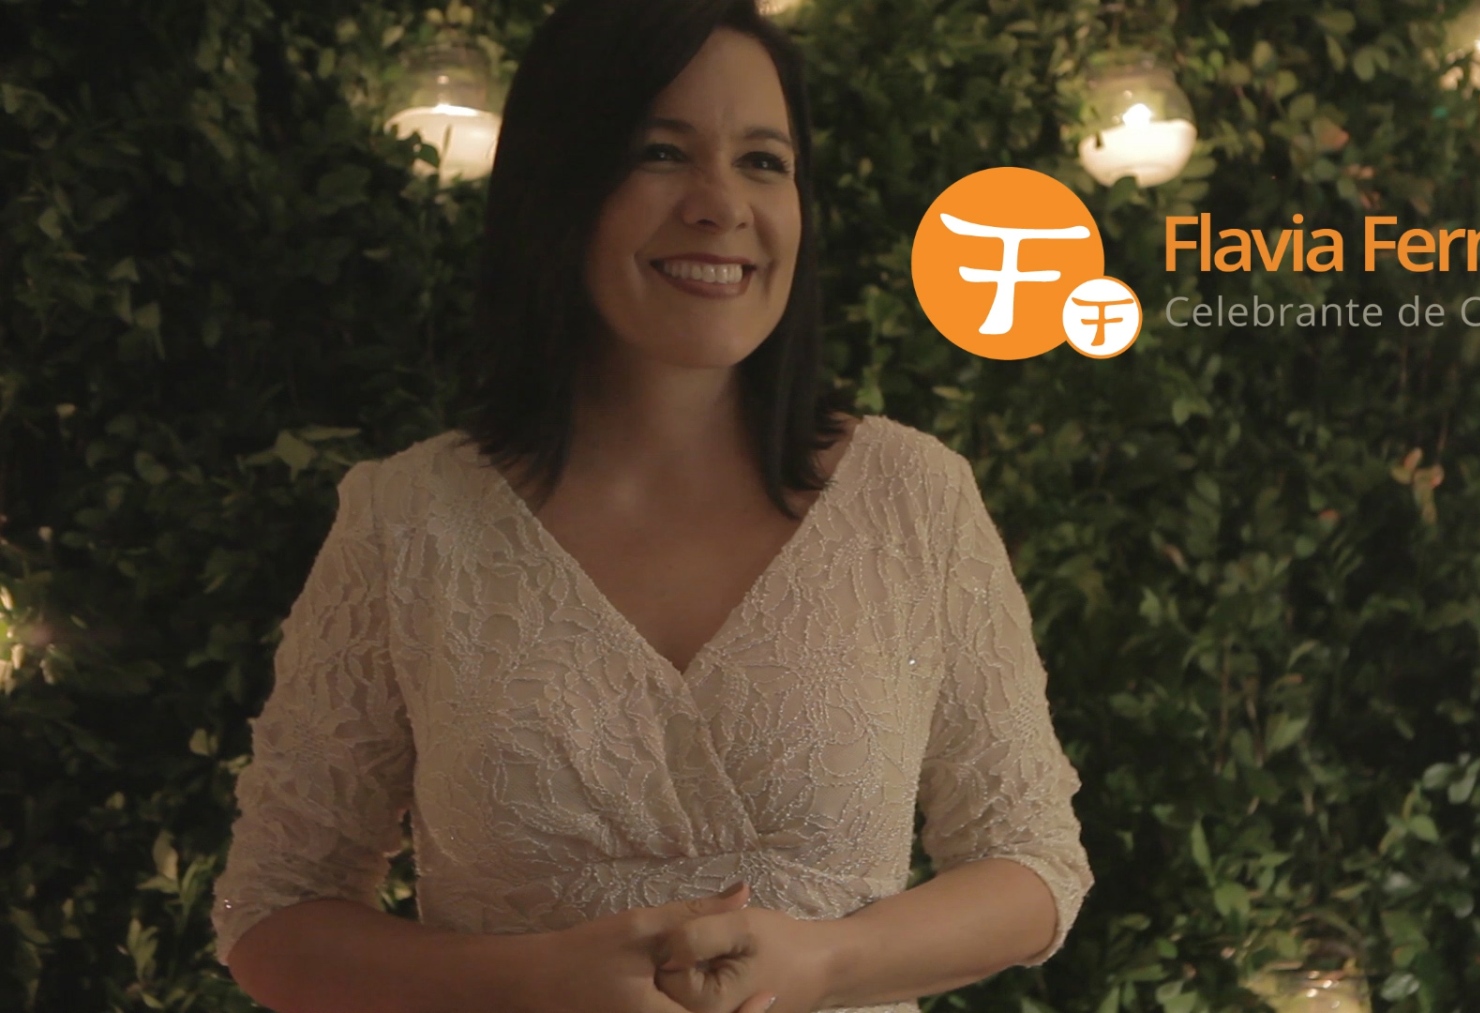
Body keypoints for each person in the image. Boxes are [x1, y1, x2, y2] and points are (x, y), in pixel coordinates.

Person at [208, 2, 1093, 1012]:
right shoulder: (408, 522)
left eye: (763, 161)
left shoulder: (913, 500)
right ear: (559, 187)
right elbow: (275, 912)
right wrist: (532, 979)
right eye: (661, 152)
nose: (722, 204)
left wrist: (828, 961)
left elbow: (1033, 860)